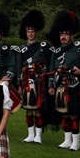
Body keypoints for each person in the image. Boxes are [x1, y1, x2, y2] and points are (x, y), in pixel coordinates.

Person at [46, 10, 80, 151]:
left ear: (71, 34)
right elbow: (52, 68)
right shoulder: (56, 50)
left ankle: (76, 142)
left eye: (66, 34)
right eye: (61, 34)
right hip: (60, 84)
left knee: (74, 113)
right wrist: (51, 85)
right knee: (64, 112)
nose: (63, 37)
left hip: (74, 84)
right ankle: (67, 139)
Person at [17, 10, 49, 144]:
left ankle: (38, 135)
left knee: (37, 109)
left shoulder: (42, 47)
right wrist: (19, 84)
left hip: (37, 81)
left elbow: (47, 65)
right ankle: (30, 134)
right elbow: (19, 67)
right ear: (26, 33)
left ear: (36, 32)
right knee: (28, 109)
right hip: (25, 80)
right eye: (28, 31)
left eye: (32, 31)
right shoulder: (21, 48)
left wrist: (40, 70)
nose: (30, 34)